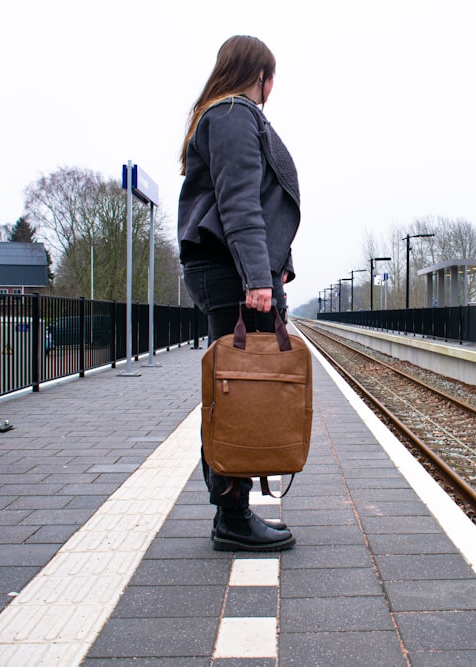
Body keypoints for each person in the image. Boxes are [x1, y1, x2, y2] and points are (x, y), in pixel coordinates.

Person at [178, 35, 301, 552]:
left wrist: (278, 267)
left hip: (236, 268)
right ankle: (230, 514)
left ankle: (233, 507)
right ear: (262, 75)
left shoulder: (227, 114)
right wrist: (256, 278)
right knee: (234, 391)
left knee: (235, 387)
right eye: (273, 79)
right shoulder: (233, 113)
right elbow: (239, 201)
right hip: (231, 271)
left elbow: (259, 202)